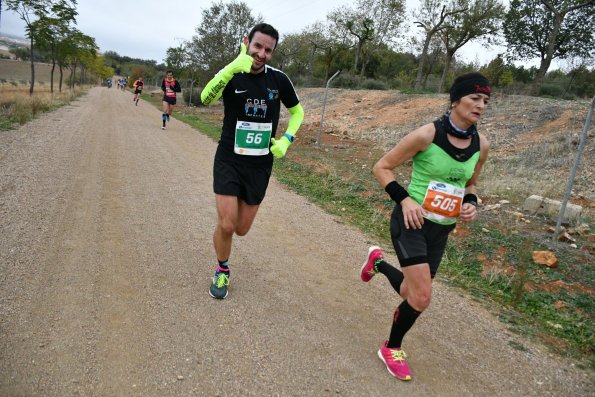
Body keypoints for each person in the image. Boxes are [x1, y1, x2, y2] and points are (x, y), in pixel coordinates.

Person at [360, 72, 491, 381]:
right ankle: (391, 348)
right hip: (411, 223)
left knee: (409, 290)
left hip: (441, 230)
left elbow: (470, 183)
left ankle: (377, 263)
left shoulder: (482, 145)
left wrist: (471, 202)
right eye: (475, 98)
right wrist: (405, 201)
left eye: (486, 101)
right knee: (421, 298)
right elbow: (381, 167)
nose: (481, 105)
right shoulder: (426, 135)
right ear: (456, 99)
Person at [200, 23, 305, 299]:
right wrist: (231, 68)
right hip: (229, 158)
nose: (261, 53)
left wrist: (286, 140)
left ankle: (226, 228)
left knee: (241, 229)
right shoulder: (232, 73)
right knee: (226, 225)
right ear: (247, 42)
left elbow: (298, 113)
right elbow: (205, 98)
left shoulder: (279, 80)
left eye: (268, 50)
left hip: (260, 164)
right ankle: (222, 270)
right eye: (257, 46)